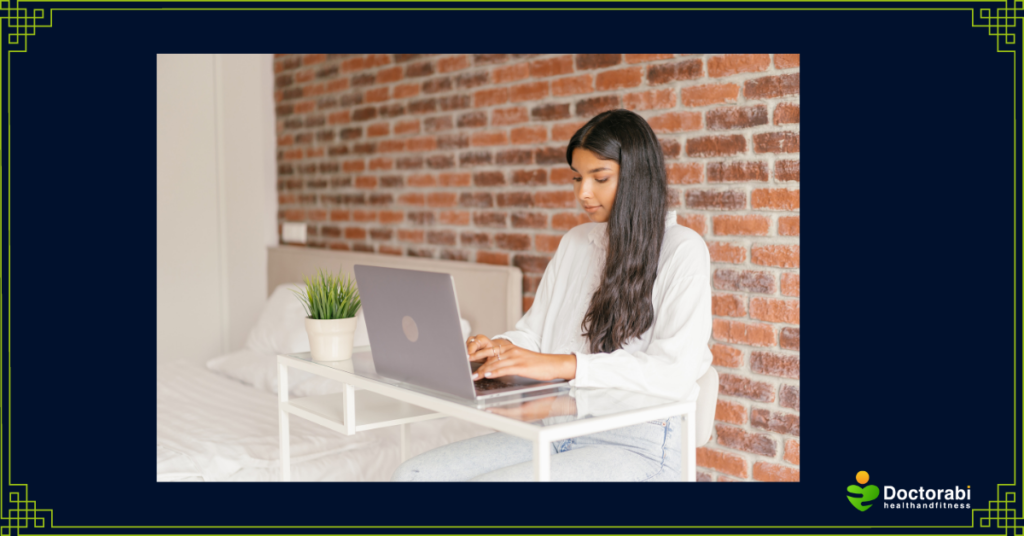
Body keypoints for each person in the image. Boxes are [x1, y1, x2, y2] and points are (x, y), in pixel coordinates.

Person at [391, 108, 713, 482]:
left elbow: (672, 372)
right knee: (412, 474)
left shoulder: (683, 250)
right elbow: (533, 333)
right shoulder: (576, 243)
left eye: (600, 177)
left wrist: (564, 364)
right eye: (577, 178)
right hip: (558, 426)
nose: (583, 193)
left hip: (638, 443)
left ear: (638, 178)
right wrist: (497, 349)